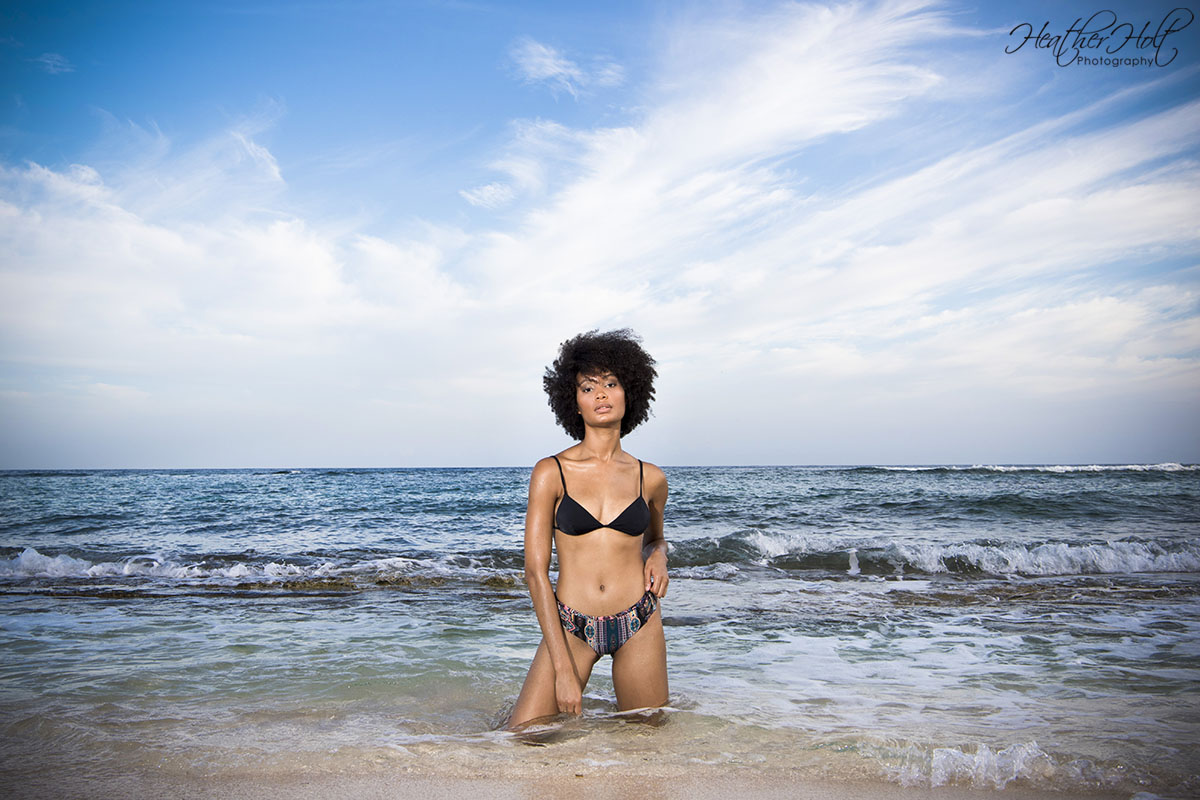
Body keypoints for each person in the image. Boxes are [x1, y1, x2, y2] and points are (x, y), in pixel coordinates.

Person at [507, 329, 670, 729]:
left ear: (628, 392)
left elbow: (655, 537)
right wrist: (563, 668)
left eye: (611, 384)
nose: (600, 395)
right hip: (571, 625)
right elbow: (534, 572)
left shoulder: (650, 478)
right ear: (573, 402)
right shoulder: (551, 473)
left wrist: (661, 553)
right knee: (522, 738)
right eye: (588, 387)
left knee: (649, 742)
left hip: (639, 621)